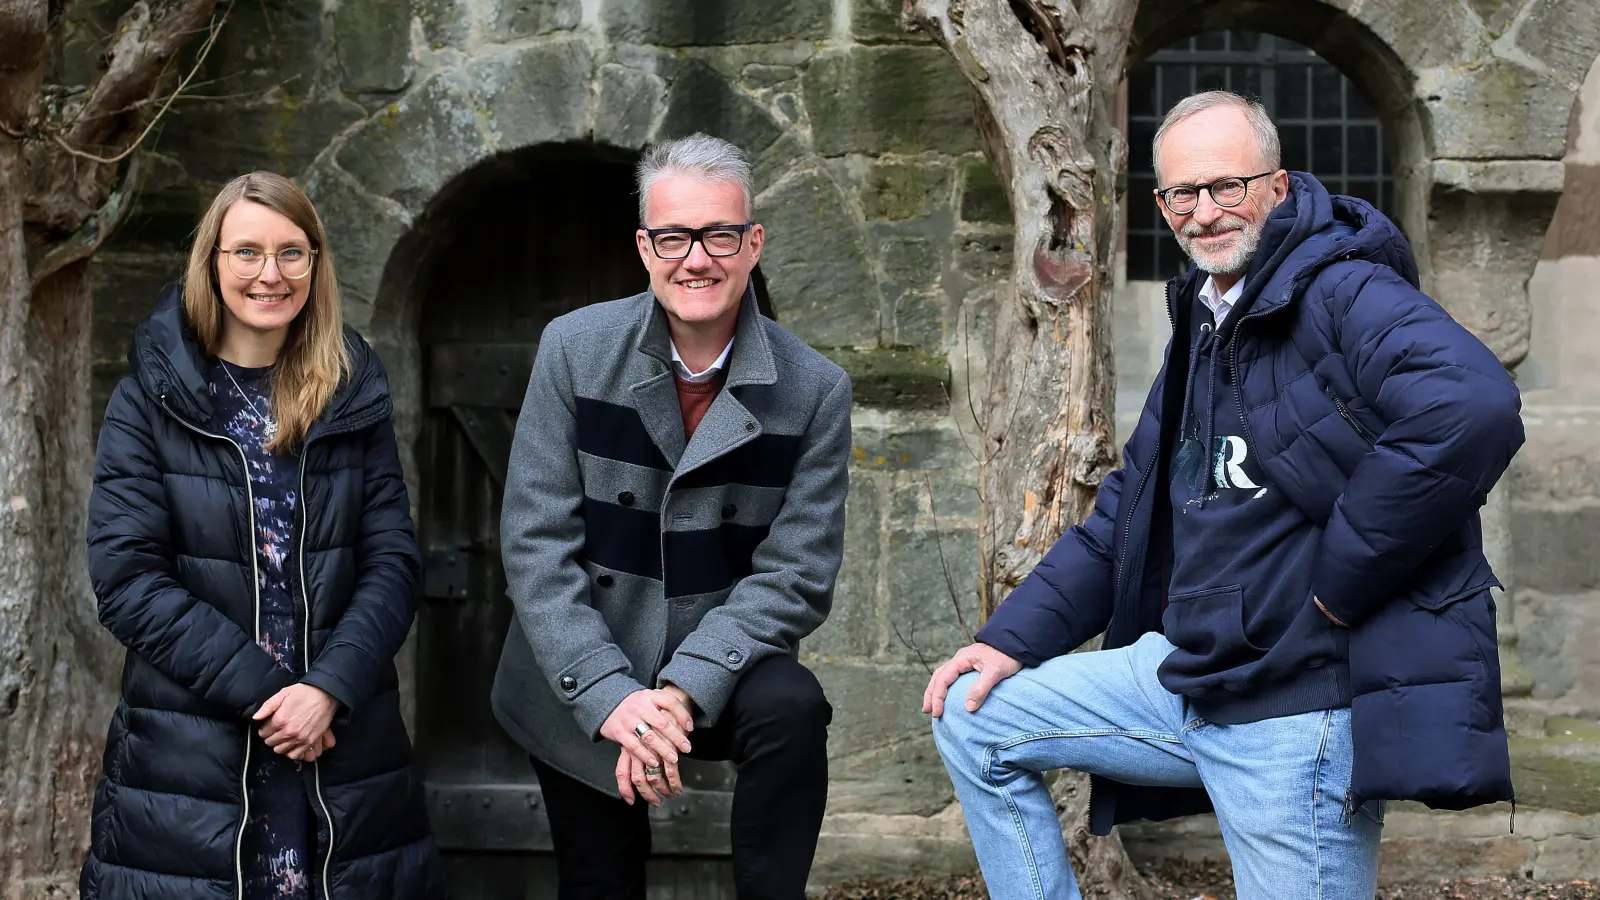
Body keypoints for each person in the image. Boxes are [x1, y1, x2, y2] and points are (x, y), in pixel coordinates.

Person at [923, 91, 1525, 900]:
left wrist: (1346, 578)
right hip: (1183, 682)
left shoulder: (1341, 291)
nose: (1203, 213)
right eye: (1181, 194)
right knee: (972, 713)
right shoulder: (1207, 319)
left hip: (1294, 714)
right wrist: (1009, 640)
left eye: (1226, 187)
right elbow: (1128, 510)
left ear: (1277, 185)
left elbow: (1472, 405)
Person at [491, 132, 852, 900]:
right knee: (599, 882)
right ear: (644, 247)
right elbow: (536, 543)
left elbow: (795, 575)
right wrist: (611, 696)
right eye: (674, 236)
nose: (697, 259)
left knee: (792, 707)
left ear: (753, 243)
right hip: (584, 658)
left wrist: (678, 693)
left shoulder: (815, 390)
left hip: (715, 663)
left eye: (720, 234)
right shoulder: (575, 350)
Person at [81, 172, 446, 900]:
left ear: (317, 262)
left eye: (291, 253)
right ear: (211, 262)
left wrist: (328, 690)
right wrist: (276, 698)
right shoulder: (149, 401)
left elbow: (393, 564)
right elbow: (126, 580)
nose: (269, 275)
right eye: (246, 251)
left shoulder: (350, 394)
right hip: (193, 755)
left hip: (343, 750)